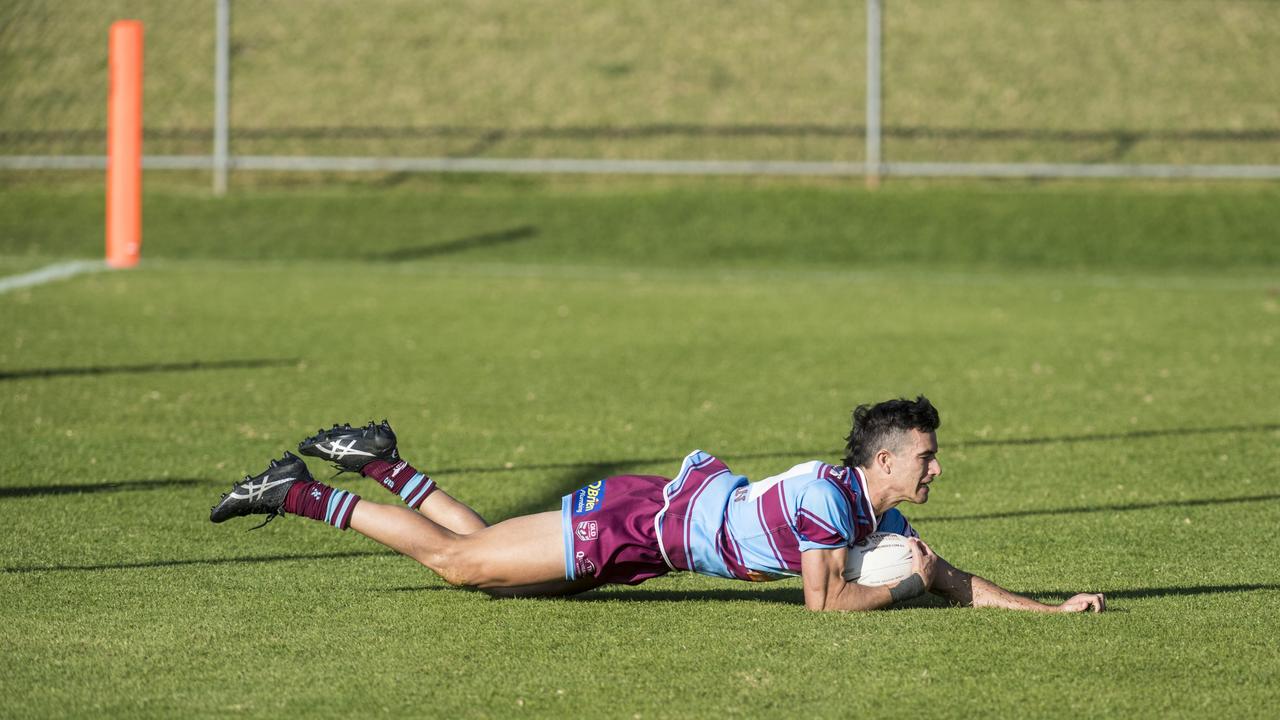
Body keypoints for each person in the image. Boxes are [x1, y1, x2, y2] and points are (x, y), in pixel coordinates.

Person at [210, 396, 1105, 613]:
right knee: (463, 566)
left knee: (495, 570)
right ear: (883, 460)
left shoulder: (874, 514)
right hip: (631, 524)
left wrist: (1048, 612)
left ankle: (386, 466)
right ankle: (296, 494)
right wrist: (896, 591)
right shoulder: (834, 504)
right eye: (927, 459)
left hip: (649, 537)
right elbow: (827, 604)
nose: (936, 471)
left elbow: (948, 577)